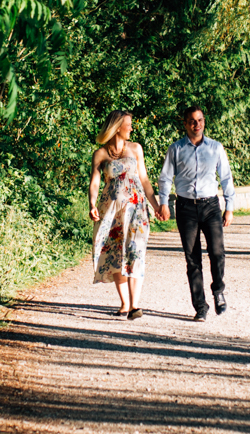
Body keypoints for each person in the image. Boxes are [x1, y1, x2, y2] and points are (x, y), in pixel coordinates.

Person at [155, 104, 235, 321]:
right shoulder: (176, 149)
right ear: (185, 124)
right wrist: (163, 203)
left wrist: (229, 207)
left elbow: (226, 178)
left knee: (217, 252)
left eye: (199, 120)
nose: (196, 124)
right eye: (192, 120)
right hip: (186, 207)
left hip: (210, 206)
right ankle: (200, 306)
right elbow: (165, 178)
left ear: (204, 122)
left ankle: (218, 290)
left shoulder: (215, 148)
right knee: (193, 259)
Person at [88, 110, 166, 320]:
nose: (131, 128)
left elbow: (145, 180)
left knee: (135, 251)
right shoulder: (101, 154)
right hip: (111, 211)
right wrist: (92, 203)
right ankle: (124, 303)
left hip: (136, 209)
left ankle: (135, 305)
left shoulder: (136, 149)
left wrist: (156, 206)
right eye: (128, 124)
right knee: (115, 254)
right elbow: (95, 182)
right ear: (116, 127)